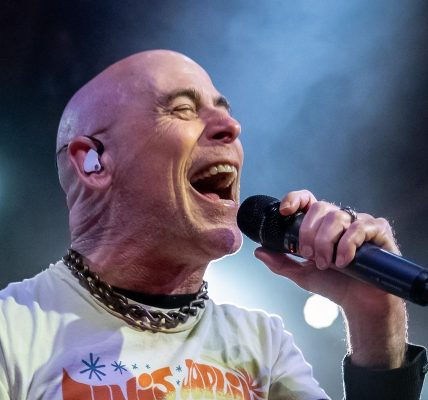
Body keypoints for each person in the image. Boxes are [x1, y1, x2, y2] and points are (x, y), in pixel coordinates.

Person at [0, 50, 426, 400]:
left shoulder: (261, 344)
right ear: (95, 162)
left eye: (224, 112)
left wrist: (376, 319)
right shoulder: (12, 330)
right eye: (183, 109)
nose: (231, 127)